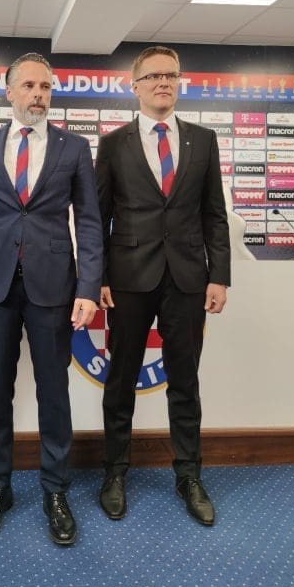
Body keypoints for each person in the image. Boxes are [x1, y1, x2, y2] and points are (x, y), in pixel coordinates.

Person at [0, 53, 102, 545]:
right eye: (29, 86)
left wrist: (88, 287)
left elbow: (89, 223)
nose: (39, 94)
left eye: (46, 87)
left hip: (54, 287)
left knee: (53, 393)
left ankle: (55, 490)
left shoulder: (74, 147)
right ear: (9, 92)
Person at [95, 45, 230, 526]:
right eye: (152, 76)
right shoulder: (114, 144)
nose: (163, 83)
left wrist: (219, 275)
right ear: (135, 87)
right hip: (129, 279)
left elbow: (214, 214)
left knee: (185, 381)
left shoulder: (203, 140)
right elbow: (98, 217)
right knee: (121, 379)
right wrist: (99, 277)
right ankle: (114, 472)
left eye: (170, 75)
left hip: (188, 278)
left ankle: (189, 475)